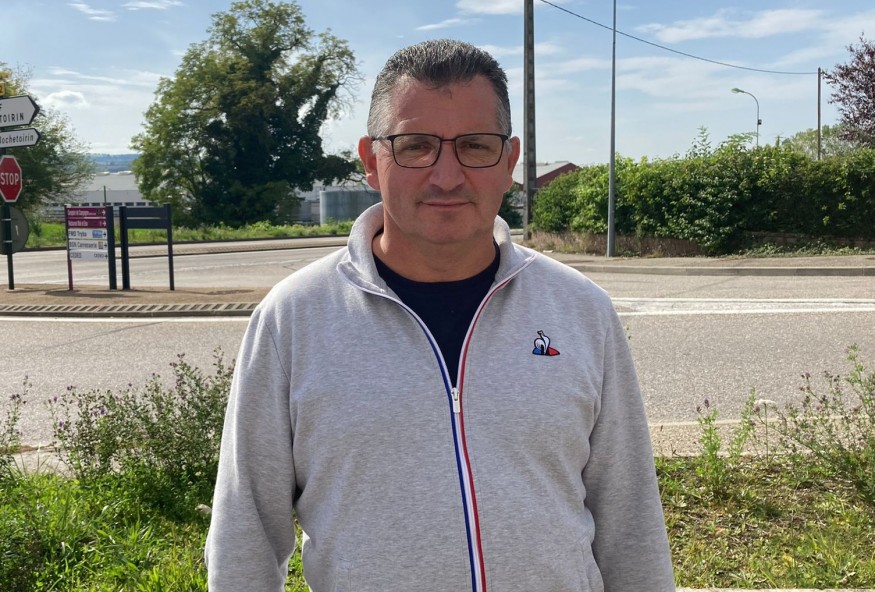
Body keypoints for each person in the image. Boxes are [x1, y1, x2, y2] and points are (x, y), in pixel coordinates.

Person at [205, 38, 675, 592]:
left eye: (475, 146)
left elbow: (629, 520)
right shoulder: (292, 319)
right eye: (415, 146)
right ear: (371, 161)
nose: (447, 176)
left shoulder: (581, 310)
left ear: (509, 161)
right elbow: (245, 535)